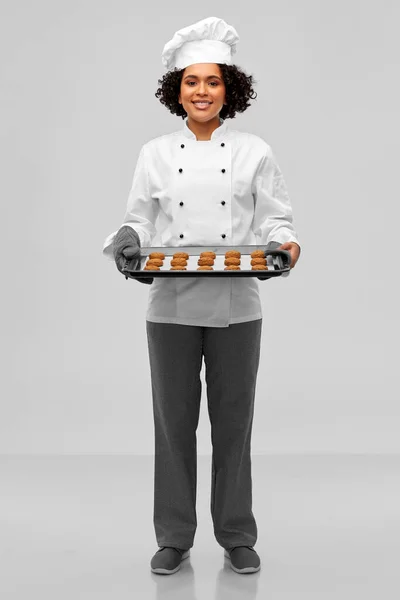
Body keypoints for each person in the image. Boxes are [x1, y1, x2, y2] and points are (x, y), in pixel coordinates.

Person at [103, 16, 301, 575]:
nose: (202, 92)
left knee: (234, 425)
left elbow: (276, 222)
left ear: (229, 88)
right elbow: (138, 221)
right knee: (173, 425)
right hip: (168, 306)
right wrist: (126, 240)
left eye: (213, 81)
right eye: (192, 81)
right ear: (177, 89)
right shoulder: (155, 153)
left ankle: (237, 533)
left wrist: (286, 246)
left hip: (238, 304)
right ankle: (174, 535)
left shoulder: (256, 150)